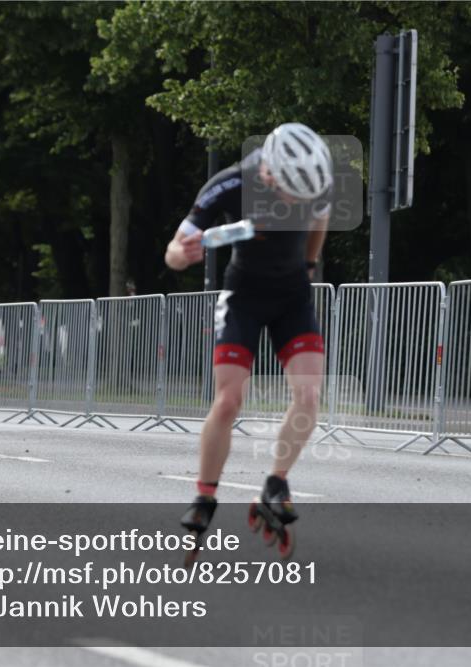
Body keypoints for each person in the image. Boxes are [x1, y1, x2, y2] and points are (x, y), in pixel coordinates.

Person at [165, 123, 332, 557]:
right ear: (270, 175)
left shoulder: (318, 180)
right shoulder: (231, 183)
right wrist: (181, 254)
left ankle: (275, 484)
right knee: (228, 401)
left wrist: (310, 265)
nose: (297, 203)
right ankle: (204, 496)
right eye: (289, 195)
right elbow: (174, 248)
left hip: (292, 294)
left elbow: (321, 215)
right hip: (244, 295)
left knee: (309, 394)